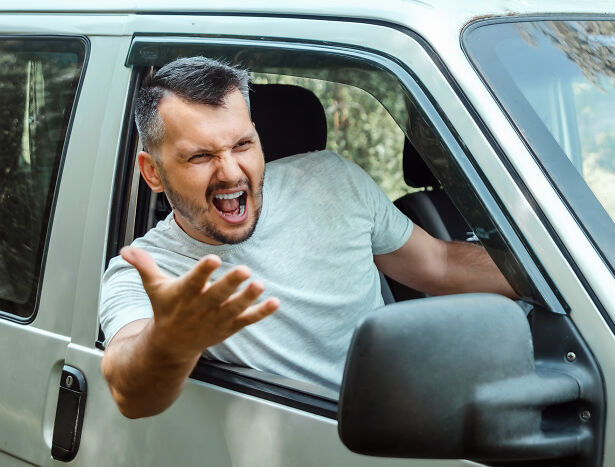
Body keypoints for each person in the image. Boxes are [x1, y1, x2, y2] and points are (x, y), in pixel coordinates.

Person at [100, 57, 516, 419]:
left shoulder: (332, 180)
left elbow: (440, 265)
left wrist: (562, 281)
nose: (230, 172)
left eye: (243, 144)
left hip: (417, 420)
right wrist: (170, 341)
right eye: (200, 156)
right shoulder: (143, 271)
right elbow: (129, 391)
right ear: (152, 172)